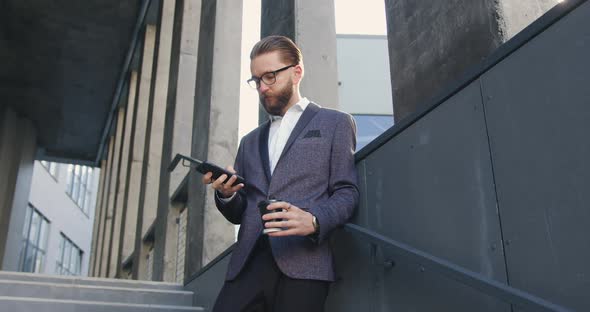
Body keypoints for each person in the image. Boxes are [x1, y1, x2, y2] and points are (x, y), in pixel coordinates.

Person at [202, 35, 359, 312]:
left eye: (270, 76)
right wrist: (226, 195)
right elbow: (240, 212)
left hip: (305, 263)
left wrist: (315, 220)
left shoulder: (336, 123)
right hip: (249, 263)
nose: (262, 87)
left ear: (296, 72)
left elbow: (347, 192)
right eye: (256, 80)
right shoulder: (249, 141)